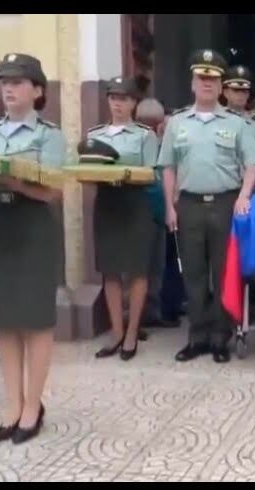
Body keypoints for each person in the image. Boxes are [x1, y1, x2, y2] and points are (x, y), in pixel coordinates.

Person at [0, 53, 66, 444]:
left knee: (35, 318)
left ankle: (33, 405)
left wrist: (14, 183)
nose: (9, 88)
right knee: (5, 318)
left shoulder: (49, 136)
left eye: (18, 81)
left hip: (33, 226)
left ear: (38, 90)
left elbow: (51, 191)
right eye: (4, 81)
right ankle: (11, 404)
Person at [157, 49, 255, 364]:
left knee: (223, 273)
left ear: (221, 86)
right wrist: (170, 207)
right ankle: (197, 337)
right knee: (192, 273)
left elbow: (252, 165)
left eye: (213, 78)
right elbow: (168, 168)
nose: (206, 83)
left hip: (225, 204)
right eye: (201, 77)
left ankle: (220, 337)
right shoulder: (177, 123)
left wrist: (244, 196)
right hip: (188, 205)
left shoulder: (236, 123)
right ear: (192, 83)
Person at [86, 77, 160, 360]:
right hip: (107, 204)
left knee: (137, 270)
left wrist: (124, 175)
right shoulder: (94, 135)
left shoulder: (144, 135)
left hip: (135, 203)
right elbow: (85, 170)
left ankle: (132, 333)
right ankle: (117, 332)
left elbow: (151, 172)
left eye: (124, 98)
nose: (118, 103)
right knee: (111, 270)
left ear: (134, 102)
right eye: (113, 97)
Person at [135, 98, 178, 329]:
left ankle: (151, 312)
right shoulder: (140, 142)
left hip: (160, 214)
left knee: (157, 266)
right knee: (143, 268)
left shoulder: (164, 143)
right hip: (145, 213)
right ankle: (138, 318)